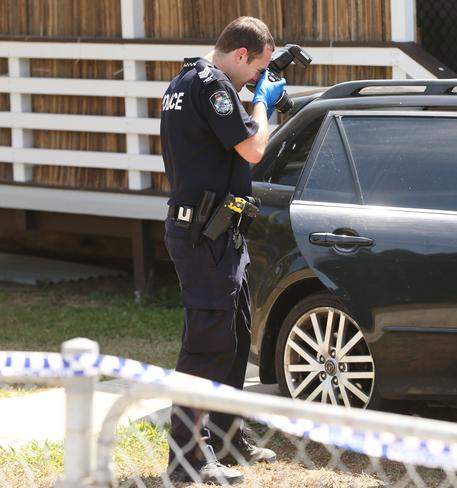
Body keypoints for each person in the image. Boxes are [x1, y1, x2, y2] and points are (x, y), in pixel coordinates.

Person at [160, 16, 285, 485]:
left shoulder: (190, 81)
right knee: (206, 344)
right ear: (239, 55)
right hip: (203, 235)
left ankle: (228, 436)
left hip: (221, 231)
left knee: (233, 337)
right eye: (258, 69)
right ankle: (188, 458)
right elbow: (253, 149)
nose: (257, 78)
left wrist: (251, 96)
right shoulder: (211, 85)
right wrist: (263, 104)